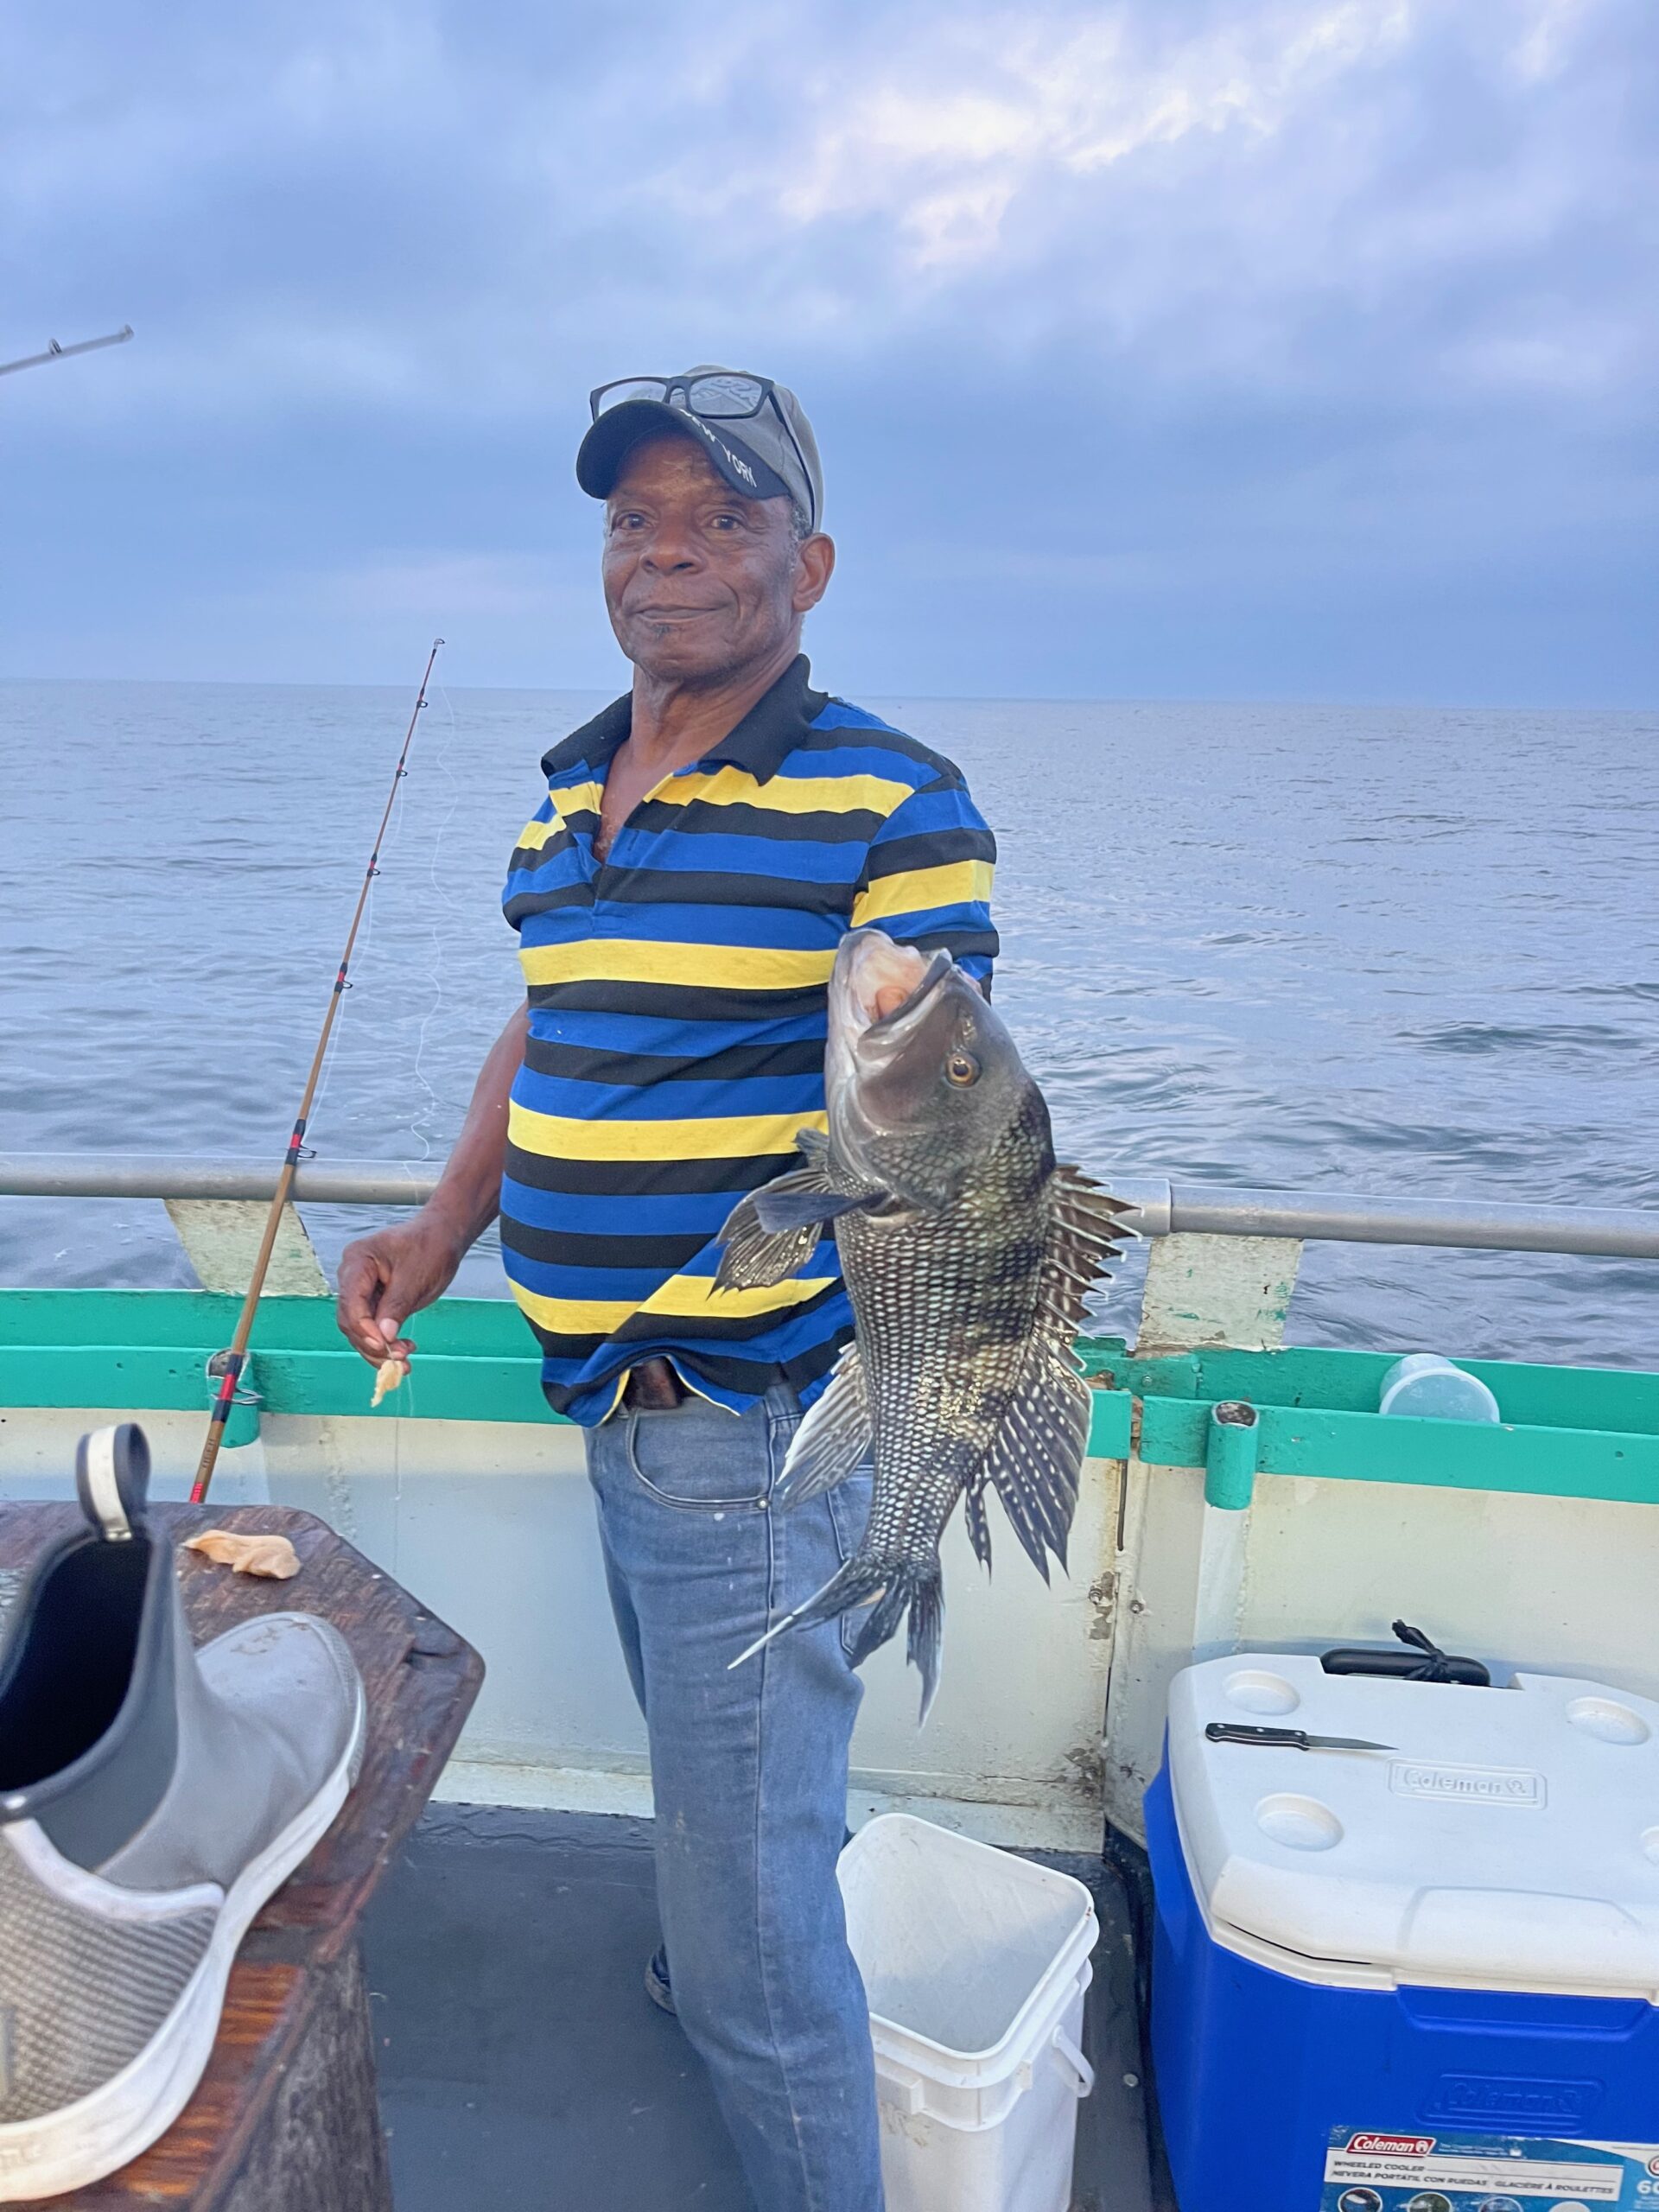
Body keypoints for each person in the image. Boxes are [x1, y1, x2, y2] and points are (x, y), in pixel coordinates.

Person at [335, 367, 996, 2212]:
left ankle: (747, 1991)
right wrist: (441, 1231)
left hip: (753, 1418)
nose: (673, 552)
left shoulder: (892, 792)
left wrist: (909, 1036)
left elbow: (937, 1062)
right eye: (638, 520)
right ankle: (721, 1929)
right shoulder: (565, 791)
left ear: (815, 558)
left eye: (725, 516)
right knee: (740, 1782)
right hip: (609, 1397)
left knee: (759, 1938)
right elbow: (548, 1017)